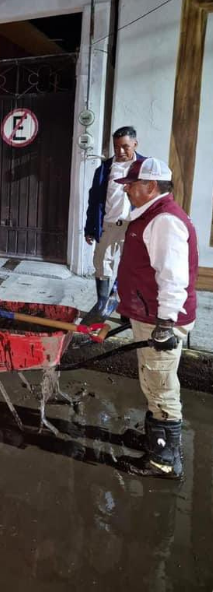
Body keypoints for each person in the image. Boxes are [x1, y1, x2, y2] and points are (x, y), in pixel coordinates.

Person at [110, 158, 197, 480]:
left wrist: (165, 323)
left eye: (132, 185)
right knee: (154, 382)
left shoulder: (163, 221)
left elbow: (173, 277)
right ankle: (157, 441)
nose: (128, 190)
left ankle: (163, 461)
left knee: (160, 387)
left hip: (160, 318)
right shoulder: (154, 215)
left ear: (151, 186)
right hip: (148, 313)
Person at [84, 127, 147, 324]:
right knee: (102, 264)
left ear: (135, 144)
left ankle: (127, 310)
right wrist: (90, 228)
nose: (120, 151)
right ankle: (103, 303)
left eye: (125, 147)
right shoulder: (104, 169)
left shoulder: (145, 167)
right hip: (108, 225)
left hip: (133, 226)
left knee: (131, 268)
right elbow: (94, 201)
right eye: (116, 147)